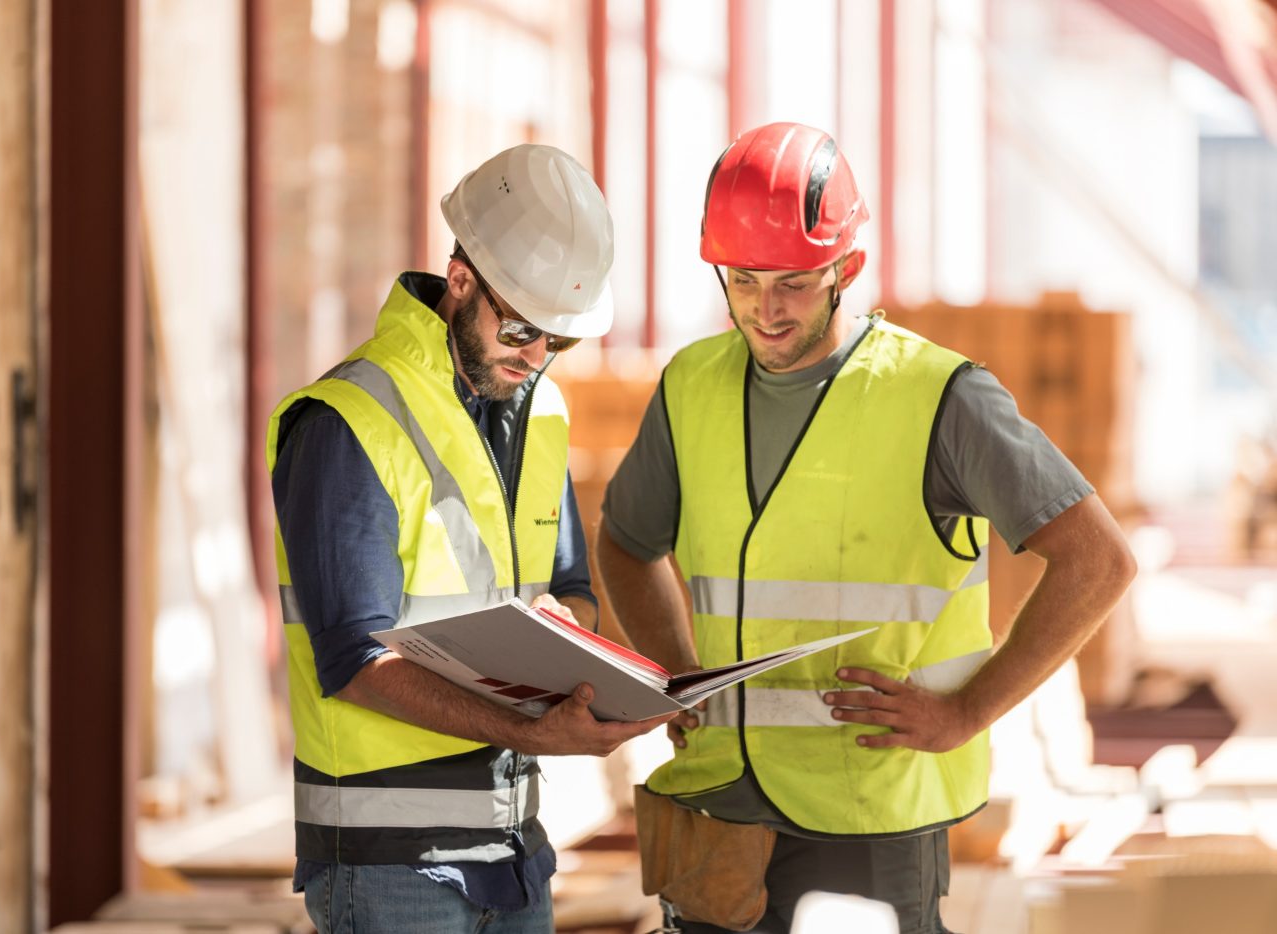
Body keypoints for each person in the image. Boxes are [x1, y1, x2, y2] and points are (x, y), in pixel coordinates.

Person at [596, 122, 1137, 934]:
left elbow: (1099, 562)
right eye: (742, 280)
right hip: (718, 812)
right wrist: (676, 679)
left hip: (870, 818)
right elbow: (626, 543)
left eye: (794, 284)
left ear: (846, 268)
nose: (765, 311)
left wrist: (966, 714)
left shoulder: (939, 398)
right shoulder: (689, 387)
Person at [267, 143, 674, 934]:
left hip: (517, 850)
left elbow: (572, 591)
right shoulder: (350, 422)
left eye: (558, 340)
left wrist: (577, 649)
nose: (536, 357)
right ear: (461, 282)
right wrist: (532, 728)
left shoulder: (539, 412)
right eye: (521, 328)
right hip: (391, 869)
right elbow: (354, 662)